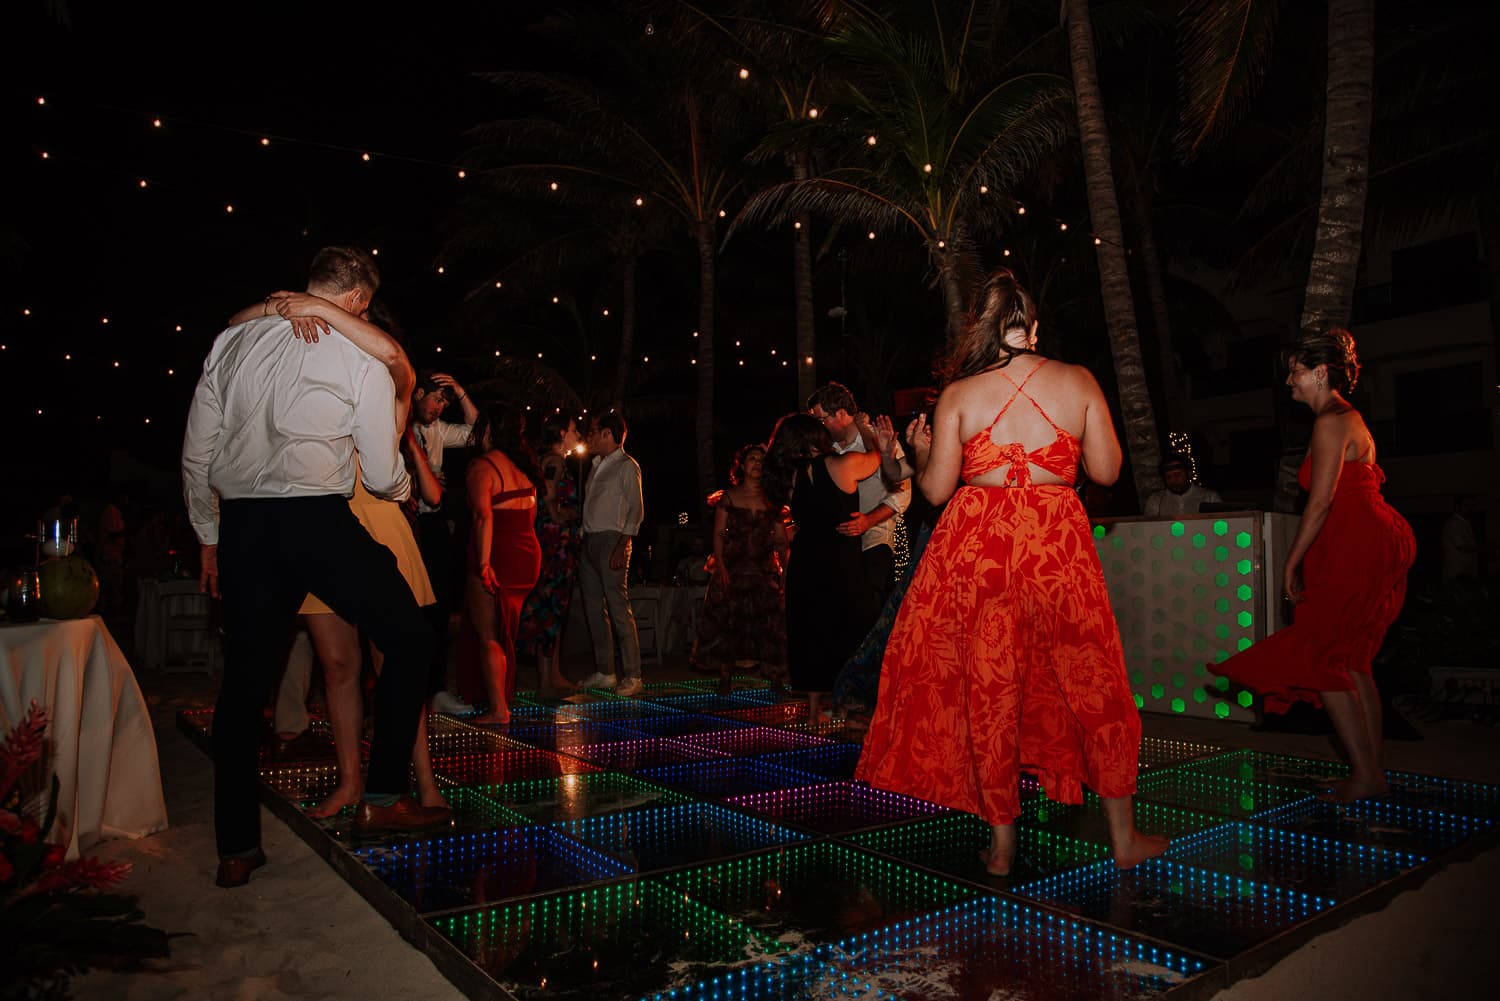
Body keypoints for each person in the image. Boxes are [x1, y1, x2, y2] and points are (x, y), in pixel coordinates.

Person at [855, 267, 1167, 875]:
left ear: (983, 329)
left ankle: (1001, 848)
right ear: (1033, 329)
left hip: (981, 548)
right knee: (1092, 678)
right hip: (1056, 546)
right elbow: (1106, 472)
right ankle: (1124, 839)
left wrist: (922, 455)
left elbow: (936, 491)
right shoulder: (1078, 380)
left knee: (990, 685)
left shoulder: (959, 395)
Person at [182, 246, 448, 889]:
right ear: (357, 300)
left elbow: (196, 452)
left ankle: (235, 849)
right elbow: (380, 473)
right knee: (411, 639)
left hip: (245, 526)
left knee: (244, 686)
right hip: (317, 522)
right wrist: (402, 493)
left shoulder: (233, 343)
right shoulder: (360, 354)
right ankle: (382, 798)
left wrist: (208, 534)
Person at [227, 291, 450, 817]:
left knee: (398, 660)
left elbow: (396, 366)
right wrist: (288, 308)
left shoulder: (390, 375)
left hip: (376, 518)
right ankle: (352, 783)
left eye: (360, 319)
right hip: (319, 526)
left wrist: (324, 310)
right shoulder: (314, 368)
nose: (349, 325)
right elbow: (232, 326)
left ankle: (420, 782)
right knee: (336, 666)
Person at [1211, 326, 1415, 802]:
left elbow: (1320, 502)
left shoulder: (1331, 421)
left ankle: (1365, 775)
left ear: (1321, 372)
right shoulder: (1345, 418)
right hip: (1370, 537)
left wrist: (1291, 561)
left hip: (1354, 540)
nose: (1289, 382)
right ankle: (1371, 774)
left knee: (1325, 658)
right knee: (1353, 661)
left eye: (1295, 372)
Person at [763, 414, 882, 720]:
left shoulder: (789, 477)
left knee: (811, 631)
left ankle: (814, 710)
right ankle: (849, 704)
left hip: (806, 560)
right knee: (851, 626)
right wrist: (867, 432)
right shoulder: (841, 464)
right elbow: (876, 458)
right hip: (839, 558)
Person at [456, 403, 544, 723]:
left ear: (489, 430)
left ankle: (498, 708)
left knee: (489, 633)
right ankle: (500, 698)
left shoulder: (483, 466)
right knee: (507, 629)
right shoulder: (525, 466)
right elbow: (531, 514)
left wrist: (483, 563)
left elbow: (483, 517)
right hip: (527, 555)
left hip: (497, 553)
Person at [408, 371, 480, 715]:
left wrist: (461, 391)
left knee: (437, 607)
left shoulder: (438, 430)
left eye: (444, 404)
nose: (439, 408)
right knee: (404, 609)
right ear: (418, 393)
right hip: (402, 521)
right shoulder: (395, 422)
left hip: (432, 523)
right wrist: (418, 477)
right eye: (436, 399)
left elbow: (477, 432)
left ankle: (435, 691)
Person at [691, 444, 791, 692]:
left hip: (762, 568)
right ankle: (725, 676)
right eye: (752, 459)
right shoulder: (729, 497)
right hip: (733, 567)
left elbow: (780, 540)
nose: (757, 463)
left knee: (770, 624)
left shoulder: (772, 500)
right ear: (742, 466)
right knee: (727, 622)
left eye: (761, 460)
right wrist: (721, 566)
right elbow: (719, 535)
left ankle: (775, 677)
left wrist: (784, 569)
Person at [807, 383, 911, 604]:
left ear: (841, 413)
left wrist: (868, 521)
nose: (819, 427)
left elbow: (903, 493)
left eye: (821, 420)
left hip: (877, 538)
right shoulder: (826, 449)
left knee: (872, 602)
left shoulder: (879, 439)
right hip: (840, 545)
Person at [576, 412, 645, 697]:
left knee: (618, 607)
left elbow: (636, 510)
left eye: (594, 431)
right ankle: (606, 671)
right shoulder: (596, 465)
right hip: (590, 539)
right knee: (594, 608)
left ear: (608, 433)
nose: (590, 437)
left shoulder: (627, 466)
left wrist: (620, 545)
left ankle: (633, 675)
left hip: (612, 539)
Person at [516, 413, 585, 698]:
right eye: (573, 430)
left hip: (555, 541)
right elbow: (547, 492)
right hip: (554, 544)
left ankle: (552, 676)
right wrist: (559, 514)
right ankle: (545, 683)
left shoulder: (550, 459)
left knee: (555, 609)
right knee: (549, 608)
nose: (577, 435)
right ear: (562, 434)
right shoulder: (555, 461)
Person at [1142, 454, 1222, 516]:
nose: (1173, 480)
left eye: (1178, 475)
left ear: (1189, 474)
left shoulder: (1209, 497)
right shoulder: (1156, 501)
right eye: (1169, 477)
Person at [1441, 495, 1480, 582]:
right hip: (1458, 573)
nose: (1470, 508)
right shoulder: (1454, 524)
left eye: (1472, 505)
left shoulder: (1465, 523)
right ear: (1457, 507)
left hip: (1465, 571)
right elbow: (1462, 547)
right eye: (1466, 505)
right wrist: (1484, 548)